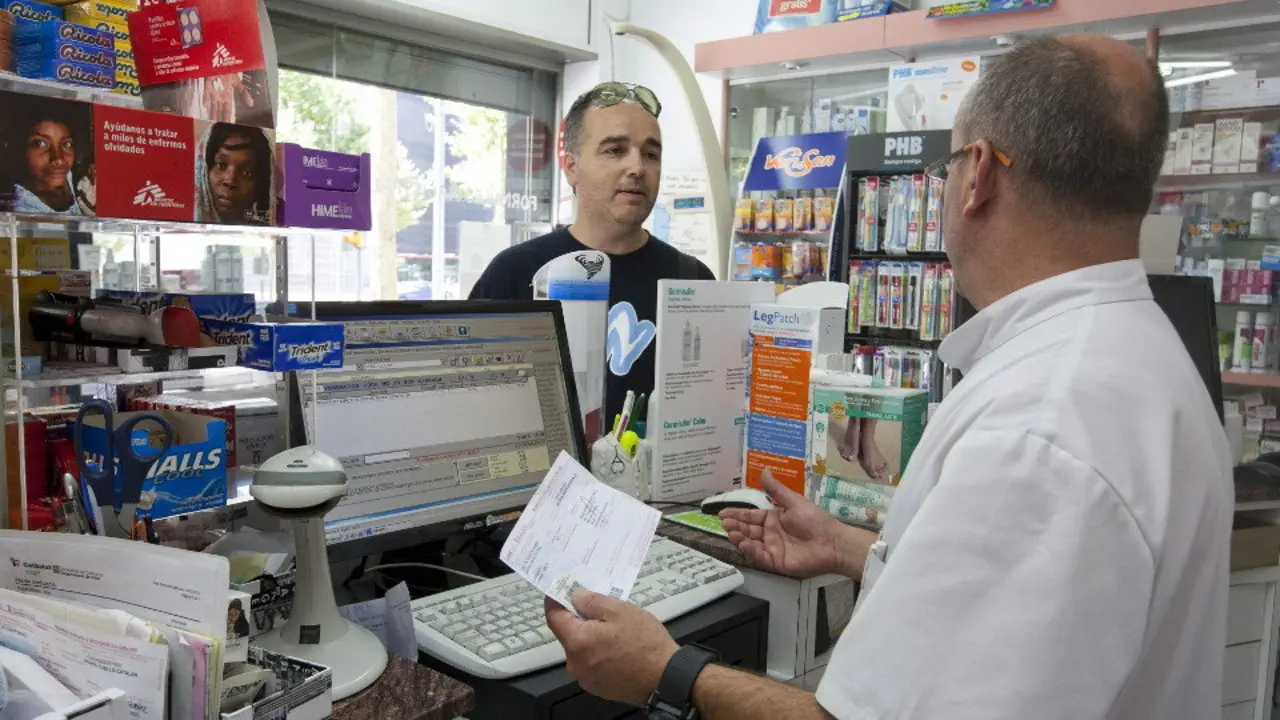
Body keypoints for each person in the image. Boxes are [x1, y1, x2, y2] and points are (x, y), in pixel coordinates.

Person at [544, 34, 1233, 720]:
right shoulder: (1144, 356)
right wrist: (852, 549)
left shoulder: (1038, 427)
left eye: (947, 164)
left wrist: (666, 671)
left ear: (981, 174)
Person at [469, 82, 716, 424]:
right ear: (571, 166)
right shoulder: (516, 273)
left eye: (651, 154)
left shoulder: (692, 280)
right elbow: (475, 404)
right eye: (615, 150)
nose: (637, 168)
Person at [3, 100, 92, 216]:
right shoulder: (22, 210)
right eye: (40, 143)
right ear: (18, 148)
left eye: (66, 144)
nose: (58, 159)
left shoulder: (73, 176)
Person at [197, 122, 273, 225]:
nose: (231, 181)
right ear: (203, 171)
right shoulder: (180, 226)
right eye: (221, 165)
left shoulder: (266, 236)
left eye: (247, 173)